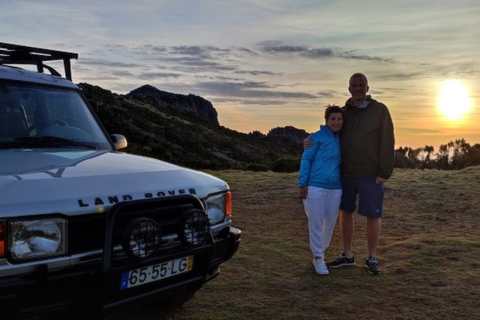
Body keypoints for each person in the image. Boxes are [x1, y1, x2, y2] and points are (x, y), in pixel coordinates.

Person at [304, 73, 395, 275]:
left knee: (373, 214)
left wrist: (384, 172)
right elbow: (330, 131)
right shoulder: (344, 112)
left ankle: (371, 257)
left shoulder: (380, 110)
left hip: (371, 173)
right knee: (345, 212)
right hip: (344, 174)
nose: (358, 89)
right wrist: (310, 141)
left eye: (361, 85)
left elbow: (387, 141)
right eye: (354, 85)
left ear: (367, 87)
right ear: (349, 89)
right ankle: (347, 255)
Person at [299, 105, 344, 275]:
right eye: (333, 119)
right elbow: (306, 159)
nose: (336, 122)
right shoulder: (315, 138)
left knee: (330, 224)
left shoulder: (343, 138)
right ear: (326, 120)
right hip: (315, 186)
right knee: (316, 223)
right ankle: (318, 257)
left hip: (336, 188)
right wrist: (303, 183)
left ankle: (321, 251)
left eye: (339, 119)